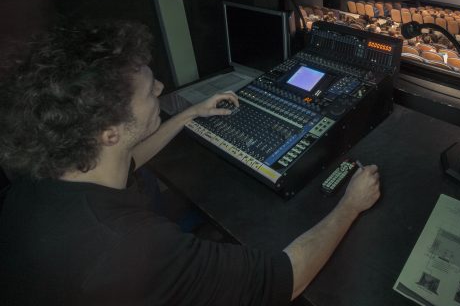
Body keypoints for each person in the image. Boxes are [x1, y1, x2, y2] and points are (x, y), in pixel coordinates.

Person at [0, 20, 380, 305]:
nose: (160, 88)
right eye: (148, 91)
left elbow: (130, 159)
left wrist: (189, 114)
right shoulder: (133, 250)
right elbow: (288, 279)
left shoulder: (40, 180)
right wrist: (350, 205)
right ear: (109, 131)